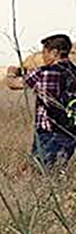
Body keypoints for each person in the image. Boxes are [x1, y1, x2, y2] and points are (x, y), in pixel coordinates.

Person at [6, 33, 76, 167]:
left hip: (50, 133)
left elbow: (13, 84)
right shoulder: (73, 72)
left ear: (54, 53)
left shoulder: (46, 72)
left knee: (41, 173)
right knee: (56, 172)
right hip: (71, 132)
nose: (43, 57)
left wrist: (11, 72)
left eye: (45, 52)